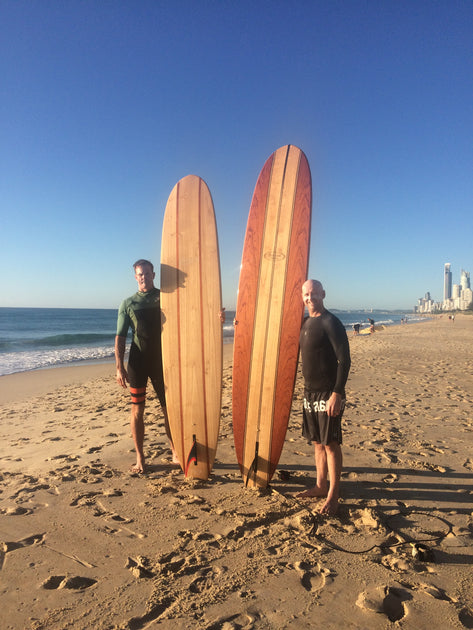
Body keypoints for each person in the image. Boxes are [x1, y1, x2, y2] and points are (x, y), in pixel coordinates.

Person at [115, 259, 175, 473]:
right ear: (135, 277)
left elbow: (189, 317)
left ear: (153, 275)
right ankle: (141, 458)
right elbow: (120, 337)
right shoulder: (128, 303)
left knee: (168, 410)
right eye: (140, 274)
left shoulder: (166, 297)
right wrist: (119, 367)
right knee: (137, 410)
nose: (143, 277)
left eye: (147, 274)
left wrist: (218, 316)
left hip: (162, 362)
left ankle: (175, 451)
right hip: (138, 363)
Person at [297, 280, 351, 515]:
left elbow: (344, 360)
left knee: (330, 444)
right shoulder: (306, 322)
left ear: (323, 294)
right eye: (306, 294)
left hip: (328, 393)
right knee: (317, 442)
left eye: (314, 294)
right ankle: (320, 485)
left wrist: (337, 393)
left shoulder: (331, 322)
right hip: (310, 392)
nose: (310, 298)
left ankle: (333, 494)